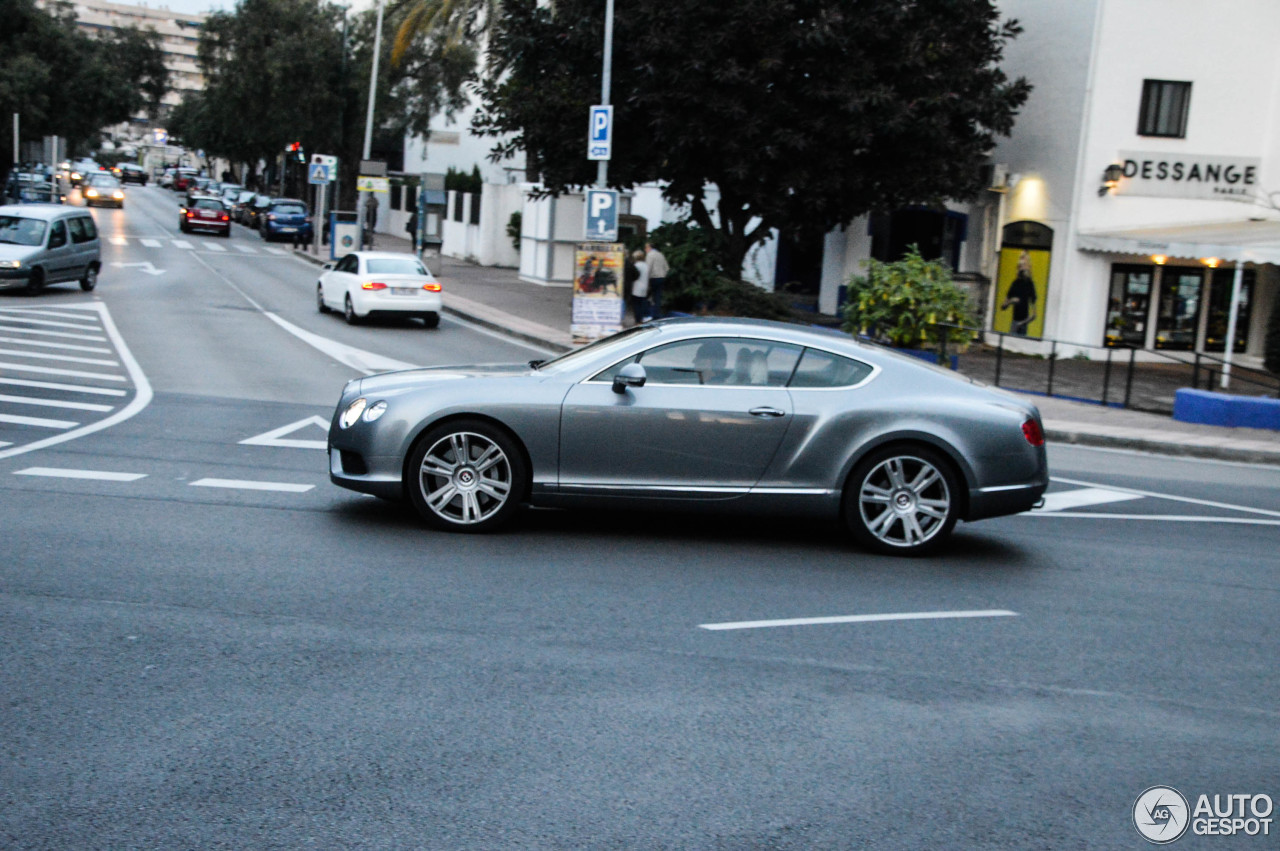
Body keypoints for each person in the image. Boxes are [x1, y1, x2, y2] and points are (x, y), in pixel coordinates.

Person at [1000, 250, 1038, 336]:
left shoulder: (1030, 284)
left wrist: (1021, 323)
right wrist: (1011, 301)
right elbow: (1003, 306)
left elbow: (1034, 314)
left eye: (1025, 265)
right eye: (1021, 265)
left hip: (1022, 324)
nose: (1023, 267)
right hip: (1014, 323)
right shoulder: (1015, 283)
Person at [645, 241, 669, 320]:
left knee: (650, 297)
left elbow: (648, 268)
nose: (645, 249)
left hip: (653, 277)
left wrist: (646, 279)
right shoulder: (660, 254)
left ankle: (650, 315)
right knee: (658, 297)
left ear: (649, 247)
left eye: (646, 248)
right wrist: (663, 275)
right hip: (661, 277)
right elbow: (667, 267)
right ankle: (657, 315)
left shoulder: (650, 255)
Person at [629, 249, 650, 325]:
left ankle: (637, 320)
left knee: (636, 305)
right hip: (644, 286)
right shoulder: (646, 265)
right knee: (642, 303)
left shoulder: (636, 266)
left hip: (636, 287)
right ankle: (642, 319)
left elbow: (634, 276)